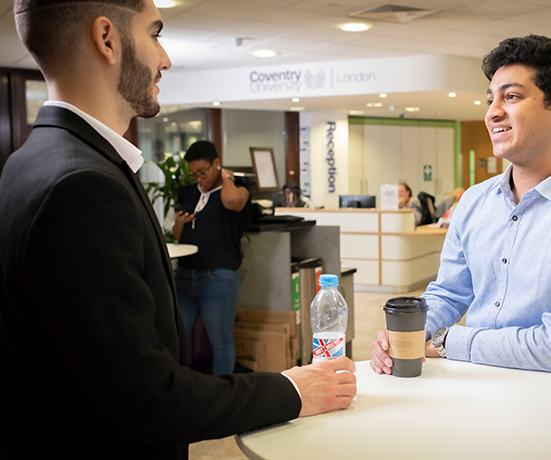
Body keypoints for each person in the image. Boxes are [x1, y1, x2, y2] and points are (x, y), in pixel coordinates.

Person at [0, 0, 355, 458]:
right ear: (107, 39)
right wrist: (293, 391)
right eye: (155, 34)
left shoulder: (28, 162)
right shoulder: (81, 185)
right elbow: (146, 399)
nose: (165, 58)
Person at [371, 35, 551, 375]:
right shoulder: (475, 200)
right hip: (475, 383)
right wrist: (409, 332)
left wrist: (447, 342)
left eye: (511, 96)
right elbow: (450, 293)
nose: (493, 112)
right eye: (490, 99)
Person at [173, 140, 250, 376]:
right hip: (185, 276)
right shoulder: (186, 193)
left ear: (216, 163)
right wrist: (180, 222)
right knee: (176, 337)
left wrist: (226, 177)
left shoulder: (238, 188)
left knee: (221, 340)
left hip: (218, 277)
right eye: (193, 174)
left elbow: (232, 202)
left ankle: (223, 396)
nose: (199, 178)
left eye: (203, 172)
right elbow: (177, 235)